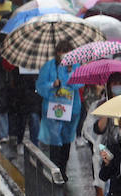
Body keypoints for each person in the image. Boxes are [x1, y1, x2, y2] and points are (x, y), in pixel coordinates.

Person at [35, 40, 84, 175]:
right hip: (53, 110)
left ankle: (63, 169)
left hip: (71, 111)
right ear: (57, 52)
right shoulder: (49, 66)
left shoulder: (75, 66)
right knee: (55, 142)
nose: (64, 54)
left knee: (67, 141)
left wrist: (69, 74)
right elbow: (40, 86)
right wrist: (52, 84)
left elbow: (79, 84)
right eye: (61, 51)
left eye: (67, 51)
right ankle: (55, 171)